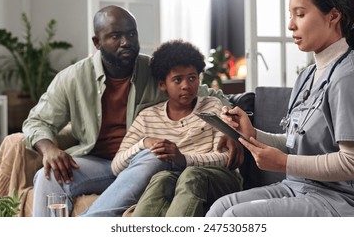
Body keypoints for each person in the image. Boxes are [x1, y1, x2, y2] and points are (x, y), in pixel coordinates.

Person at [20, 5, 238, 216]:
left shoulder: (156, 71)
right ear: (97, 42)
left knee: (158, 153)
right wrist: (48, 149)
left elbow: (214, 98)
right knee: (47, 177)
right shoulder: (72, 78)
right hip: (97, 162)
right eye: (115, 36)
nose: (126, 42)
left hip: (144, 162)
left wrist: (231, 131)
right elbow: (36, 122)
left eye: (132, 34)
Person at [206, 0, 354, 217]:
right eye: (290, 16)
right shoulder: (306, 76)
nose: (291, 25)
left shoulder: (350, 79)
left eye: (300, 14)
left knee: (235, 218)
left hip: (348, 202)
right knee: (220, 209)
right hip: (300, 187)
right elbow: (296, 143)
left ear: (333, 16)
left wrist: (283, 163)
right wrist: (252, 134)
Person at [80, 39, 242, 216]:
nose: (186, 85)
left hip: (218, 178)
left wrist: (183, 159)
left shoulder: (213, 106)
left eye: (192, 78)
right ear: (162, 84)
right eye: (177, 80)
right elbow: (117, 167)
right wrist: (144, 143)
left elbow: (226, 157)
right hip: (176, 180)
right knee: (160, 179)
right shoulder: (148, 117)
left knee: (190, 176)